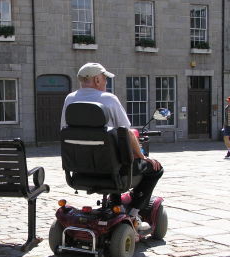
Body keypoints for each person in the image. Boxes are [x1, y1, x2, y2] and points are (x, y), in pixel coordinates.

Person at [61, 62, 163, 231]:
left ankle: (117, 204)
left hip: (80, 168)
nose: (106, 83)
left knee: (112, 157)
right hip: (110, 167)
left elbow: (64, 130)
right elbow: (128, 133)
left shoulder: (70, 99)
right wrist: (142, 157)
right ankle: (135, 212)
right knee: (155, 169)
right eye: (105, 79)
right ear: (96, 80)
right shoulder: (108, 99)